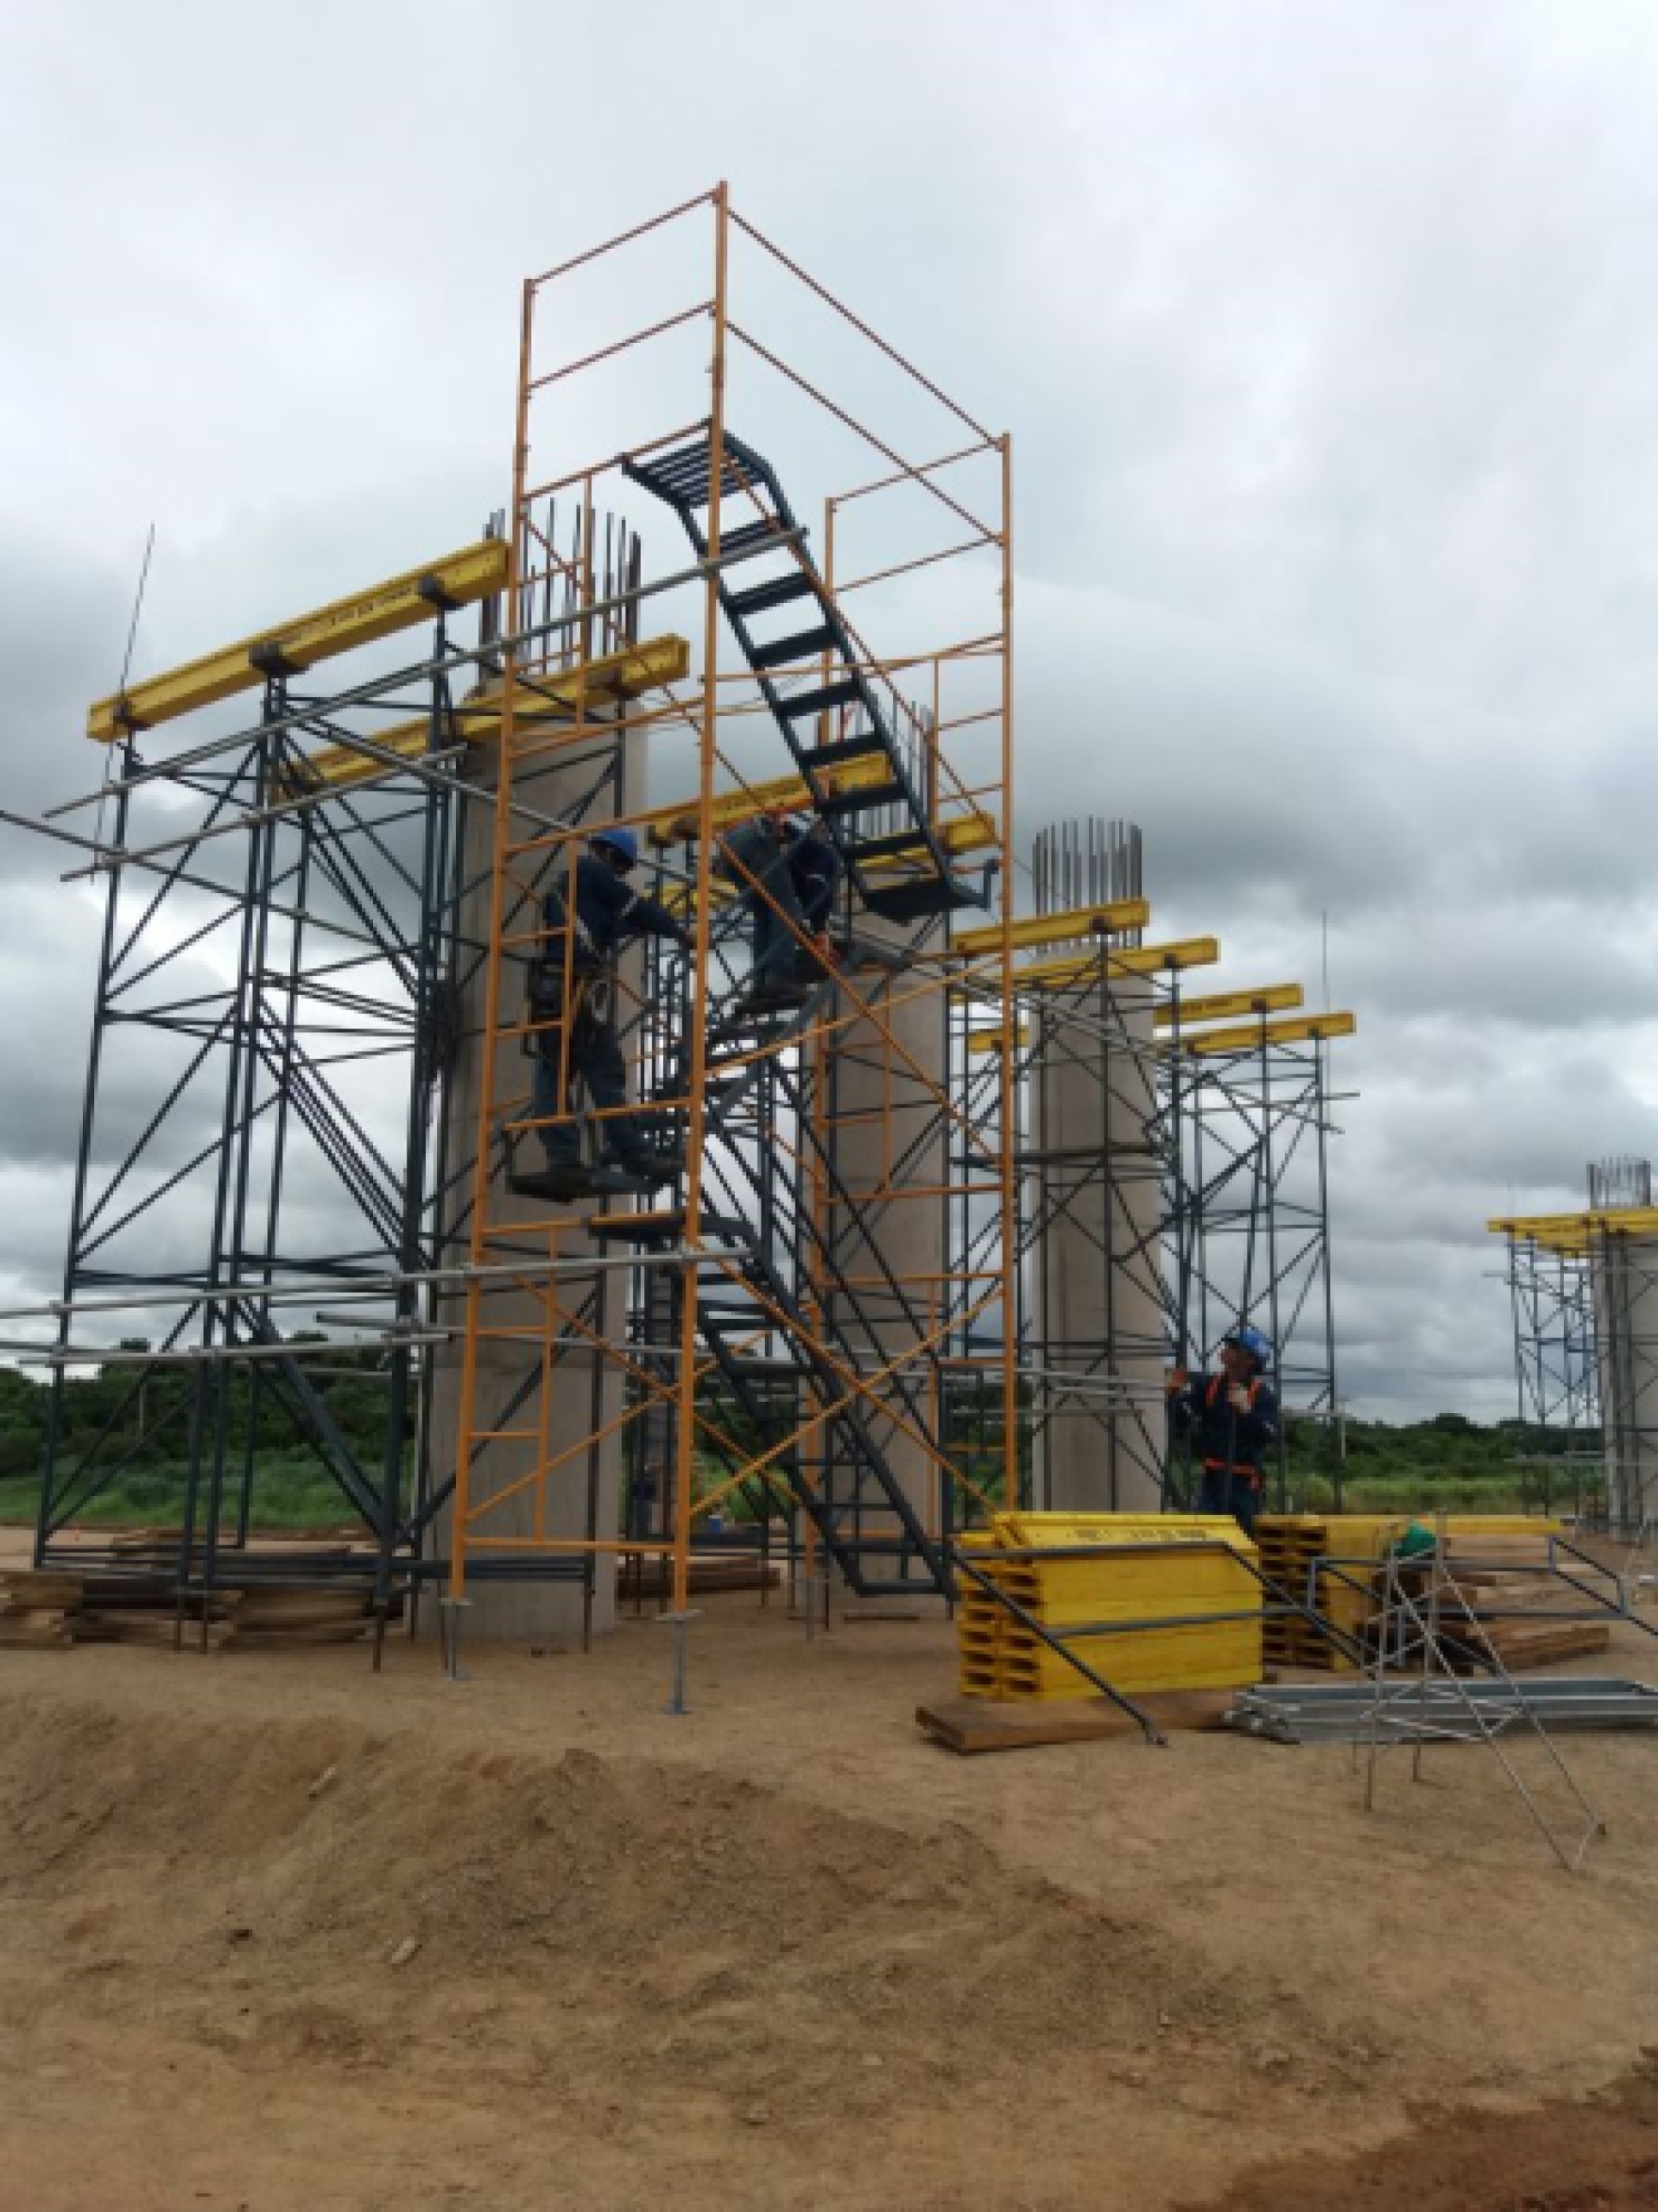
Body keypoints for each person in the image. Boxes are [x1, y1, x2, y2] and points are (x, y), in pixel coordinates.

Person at [520, 825, 688, 1191]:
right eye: (623, 868)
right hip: (577, 985)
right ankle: (634, 1154)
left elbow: (604, 925)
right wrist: (678, 931)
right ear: (611, 855)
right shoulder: (596, 872)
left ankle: (561, 1156)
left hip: (550, 985)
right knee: (604, 1069)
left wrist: (630, 927)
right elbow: (636, 908)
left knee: (554, 1069)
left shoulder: (567, 885)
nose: (622, 875)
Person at [1166, 1325, 1278, 1535]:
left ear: (1250, 1359)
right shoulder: (1209, 1386)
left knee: (1242, 1539)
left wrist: (1246, 1412)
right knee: (1207, 1536)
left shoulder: (1261, 1395)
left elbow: (1269, 1434)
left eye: (1234, 1347)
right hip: (1213, 1479)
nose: (1226, 1349)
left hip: (1243, 1483)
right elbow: (1182, 1420)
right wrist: (1173, 1397)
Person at [718, 810, 834, 1007]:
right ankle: (778, 977)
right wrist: (820, 930)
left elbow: (802, 898)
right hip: (754, 839)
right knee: (785, 909)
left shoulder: (797, 851)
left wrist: (809, 934)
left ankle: (760, 982)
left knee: (766, 915)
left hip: (728, 848)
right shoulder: (826, 856)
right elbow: (817, 890)